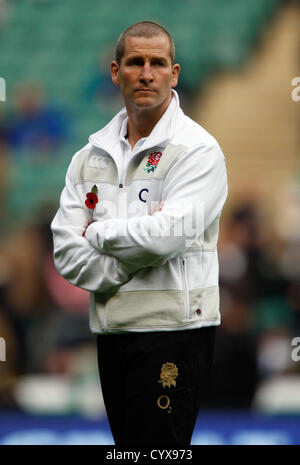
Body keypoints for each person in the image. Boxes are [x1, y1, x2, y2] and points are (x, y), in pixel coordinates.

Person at [51, 21, 228, 445]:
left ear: (175, 73)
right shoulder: (88, 156)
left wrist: (99, 233)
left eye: (157, 63)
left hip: (174, 331)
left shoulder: (198, 150)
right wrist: (137, 247)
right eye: (135, 62)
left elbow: (170, 235)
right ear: (116, 72)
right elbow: (64, 253)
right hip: (112, 332)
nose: (146, 73)